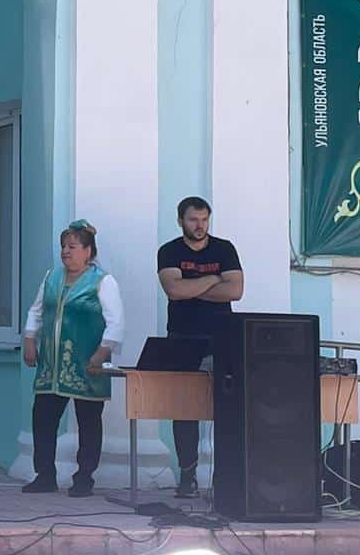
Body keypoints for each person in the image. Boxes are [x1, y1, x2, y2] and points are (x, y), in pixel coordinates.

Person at [22, 220, 124, 498]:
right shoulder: (51, 277)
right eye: (63, 246)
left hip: (87, 363)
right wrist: (30, 339)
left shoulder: (102, 281)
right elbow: (36, 311)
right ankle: (45, 475)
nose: (66, 251)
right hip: (51, 366)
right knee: (43, 418)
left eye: (72, 247)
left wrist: (101, 353)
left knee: (88, 421)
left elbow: (116, 322)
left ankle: (84, 478)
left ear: (88, 251)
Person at [157, 196, 243, 498]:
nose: (200, 225)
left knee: (227, 406)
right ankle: (187, 475)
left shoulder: (224, 249)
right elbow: (174, 289)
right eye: (193, 219)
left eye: (204, 219)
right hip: (182, 338)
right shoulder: (169, 251)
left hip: (222, 339)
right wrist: (213, 279)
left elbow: (235, 290)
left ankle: (226, 478)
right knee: (184, 410)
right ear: (181, 220)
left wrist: (192, 287)